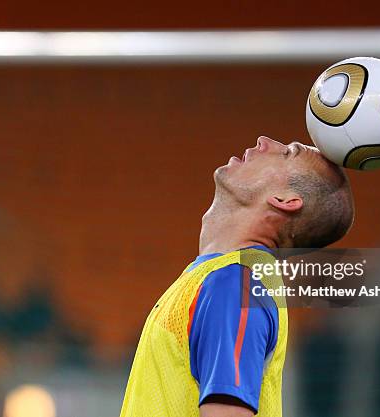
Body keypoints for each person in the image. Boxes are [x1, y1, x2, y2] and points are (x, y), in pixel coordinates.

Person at [120, 136, 354, 417]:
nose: (264, 142)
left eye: (288, 153)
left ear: (285, 200)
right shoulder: (222, 277)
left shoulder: (237, 283)